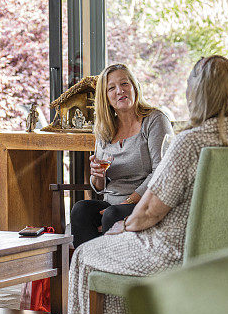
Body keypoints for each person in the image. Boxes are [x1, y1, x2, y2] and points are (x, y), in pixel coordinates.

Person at [68, 55, 228, 314]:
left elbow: (151, 210)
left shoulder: (190, 141)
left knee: (88, 255)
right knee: (97, 229)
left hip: (171, 250)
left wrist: (123, 226)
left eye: (189, 85)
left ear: (199, 93)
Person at [69, 63, 173, 248]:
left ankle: (114, 273)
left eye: (124, 84)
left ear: (134, 87)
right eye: (111, 88)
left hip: (146, 204)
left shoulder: (154, 120)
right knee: (80, 210)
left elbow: (161, 172)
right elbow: (99, 187)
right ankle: (89, 271)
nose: (119, 91)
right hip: (112, 204)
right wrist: (97, 176)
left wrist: (129, 200)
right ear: (106, 97)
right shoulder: (104, 129)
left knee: (112, 214)